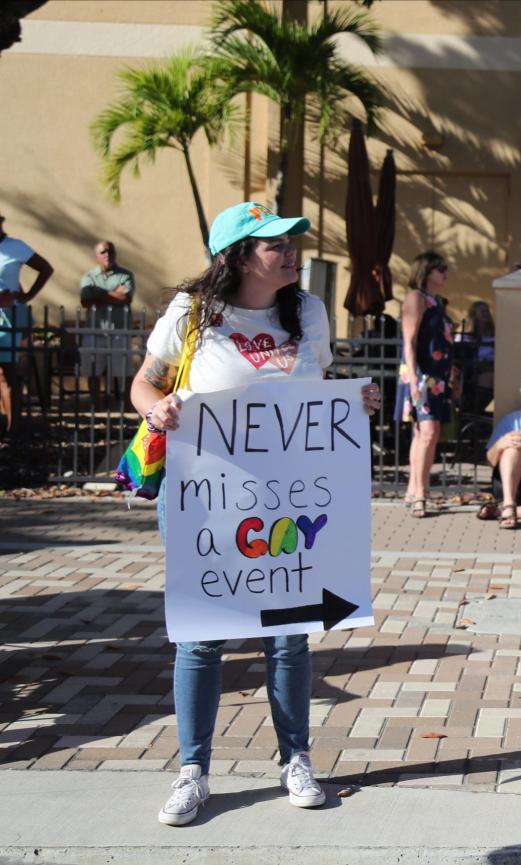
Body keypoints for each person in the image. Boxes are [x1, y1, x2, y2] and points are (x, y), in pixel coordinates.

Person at [130, 201, 382, 826]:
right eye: (275, 243)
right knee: (202, 634)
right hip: (204, 500)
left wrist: (356, 400)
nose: (293, 249)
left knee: (288, 634)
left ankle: (296, 759)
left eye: (292, 239)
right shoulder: (192, 313)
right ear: (239, 256)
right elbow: (145, 382)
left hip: (287, 502)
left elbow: (314, 395)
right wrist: (153, 410)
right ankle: (194, 770)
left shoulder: (311, 312)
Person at [394, 251, 457, 517]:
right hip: (421, 375)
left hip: (438, 377)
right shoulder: (416, 297)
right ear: (425, 271)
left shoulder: (438, 302)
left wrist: (452, 374)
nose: (444, 273)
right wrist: (412, 380)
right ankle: (420, 493)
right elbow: (409, 339)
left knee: (427, 435)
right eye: (439, 268)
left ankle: (415, 490)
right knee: (427, 433)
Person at [0, 210, 54, 432]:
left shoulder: (15, 247)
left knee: (5, 371)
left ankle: (13, 430)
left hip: (6, 315)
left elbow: (45, 268)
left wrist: (26, 296)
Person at [478, 372, 521, 529]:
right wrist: (501, 444)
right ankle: (508, 503)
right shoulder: (512, 420)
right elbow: (489, 461)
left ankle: (504, 510)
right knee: (514, 447)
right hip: (510, 483)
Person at [79, 240, 136, 407]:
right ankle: (96, 406)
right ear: (96, 256)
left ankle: (128, 406)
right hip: (95, 331)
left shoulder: (125, 275)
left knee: (124, 371)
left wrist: (98, 294)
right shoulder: (89, 277)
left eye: (110, 251)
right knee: (93, 371)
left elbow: (125, 298)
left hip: (119, 331)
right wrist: (112, 294)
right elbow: (85, 301)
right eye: (103, 252)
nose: (107, 255)